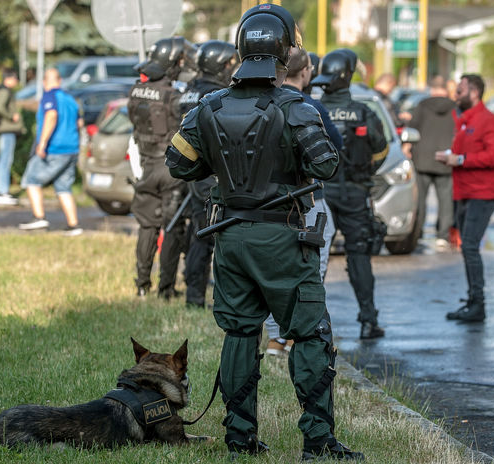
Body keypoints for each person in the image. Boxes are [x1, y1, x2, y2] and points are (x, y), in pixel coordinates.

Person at [165, 4, 363, 460]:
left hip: (230, 238)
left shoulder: (207, 107)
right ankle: (318, 442)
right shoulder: (296, 107)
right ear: (284, 53)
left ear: (240, 49)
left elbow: (177, 164)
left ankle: (240, 440)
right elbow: (326, 165)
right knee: (310, 334)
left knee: (240, 334)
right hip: (283, 240)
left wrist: (218, 166)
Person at [265, 46, 344, 356]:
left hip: (269, 201)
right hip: (308, 198)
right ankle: (300, 334)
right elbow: (335, 146)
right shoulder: (310, 106)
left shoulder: (262, 102)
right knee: (311, 268)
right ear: (306, 72)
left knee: (275, 269)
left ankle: (275, 338)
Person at [313, 48, 389, 340]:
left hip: (319, 194)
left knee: (315, 258)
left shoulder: (312, 109)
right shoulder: (364, 112)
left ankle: (311, 324)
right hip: (355, 194)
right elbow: (381, 151)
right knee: (359, 255)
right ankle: (368, 321)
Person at [128, 37, 194, 299]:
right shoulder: (174, 96)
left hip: (145, 165)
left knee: (147, 226)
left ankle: (142, 285)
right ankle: (166, 289)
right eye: (178, 61)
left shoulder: (136, 90)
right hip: (170, 168)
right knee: (173, 227)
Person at [178, 39, 239, 308]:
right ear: (219, 66)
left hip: (193, 173)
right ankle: (201, 299)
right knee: (214, 239)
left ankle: (194, 295)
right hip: (212, 178)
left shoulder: (189, 91)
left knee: (198, 235)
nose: (233, 69)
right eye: (230, 64)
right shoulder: (217, 98)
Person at [439, 74, 494, 323]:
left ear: (474, 92)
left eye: (461, 89)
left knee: (469, 246)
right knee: (466, 247)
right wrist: (449, 156)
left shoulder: (488, 121)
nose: (456, 93)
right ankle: (473, 301)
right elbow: (465, 152)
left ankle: (478, 304)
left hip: (482, 193)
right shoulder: (464, 120)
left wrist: (460, 160)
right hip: (464, 192)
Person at [18, 68, 83, 236]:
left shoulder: (49, 96)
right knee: (63, 187)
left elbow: (51, 116)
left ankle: (39, 217)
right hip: (72, 149)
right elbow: (79, 123)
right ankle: (73, 226)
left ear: (44, 82)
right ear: (60, 80)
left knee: (31, 179)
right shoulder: (70, 99)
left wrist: (42, 143)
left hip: (55, 148)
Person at [406, 75, 456, 250]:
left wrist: (408, 148)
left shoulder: (422, 105)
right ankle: (443, 235)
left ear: (432, 89)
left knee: (420, 199)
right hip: (446, 159)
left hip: (423, 158)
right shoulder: (455, 108)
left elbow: (412, 128)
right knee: (446, 200)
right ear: (445, 89)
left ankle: (418, 233)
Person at [0, 68, 24, 206]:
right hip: (7, 130)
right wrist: (12, 116)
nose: (16, 81)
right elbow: (0, 107)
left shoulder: (5, 90)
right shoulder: (4, 91)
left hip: (8, 130)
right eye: (15, 78)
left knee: (6, 159)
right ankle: (2, 192)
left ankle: (3, 191)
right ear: (8, 79)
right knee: (5, 160)